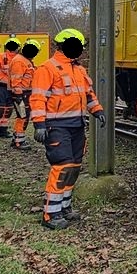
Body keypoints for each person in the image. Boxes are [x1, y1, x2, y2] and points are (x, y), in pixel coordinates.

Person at [30, 29, 105, 230]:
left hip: (76, 125)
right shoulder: (47, 68)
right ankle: (50, 213)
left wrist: (97, 110)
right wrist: (39, 124)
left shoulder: (79, 70)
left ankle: (64, 206)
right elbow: (38, 98)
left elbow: (88, 94)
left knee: (73, 167)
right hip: (56, 126)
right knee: (62, 166)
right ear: (61, 45)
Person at [8, 38, 41, 150]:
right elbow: (16, 81)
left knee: (23, 116)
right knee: (23, 116)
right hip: (21, 94)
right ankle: (19, 141)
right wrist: (18, 96)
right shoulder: (20, 61)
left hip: (24, 93)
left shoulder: (25, 60)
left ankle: (17, 138)